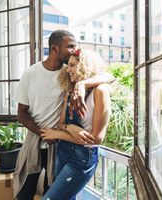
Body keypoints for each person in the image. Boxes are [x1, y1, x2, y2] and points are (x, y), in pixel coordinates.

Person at [13, 30, 114, 200]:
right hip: (40, 140)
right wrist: (45, 133)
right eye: (70, 46)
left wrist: (82, 84)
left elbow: (109, 76)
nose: (74, 49)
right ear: (54, 48)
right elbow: (21, 113)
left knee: (51, 190)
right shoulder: (32, 74)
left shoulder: (71, 73)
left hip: (60, 145)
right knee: (24, 190)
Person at [41, 48, 111, 200]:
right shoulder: (70, 90)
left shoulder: (100, 91)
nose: (68, 70)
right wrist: (69, 128)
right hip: (63, 150)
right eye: (68, 65)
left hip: (82, 158)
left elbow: (95, 139)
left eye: (72, 65)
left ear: (85, 65)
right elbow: (61, 123)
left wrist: (58, 134)